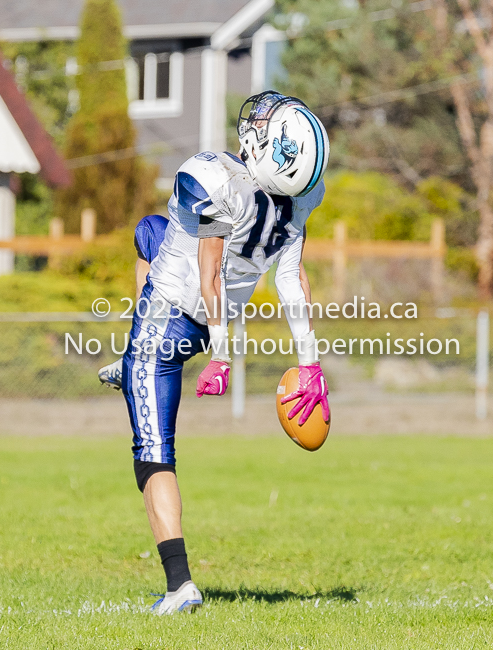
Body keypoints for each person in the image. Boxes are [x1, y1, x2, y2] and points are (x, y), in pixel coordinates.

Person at [98, 91, 331, 615]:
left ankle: (180, 585)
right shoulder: (300, 197)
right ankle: (131, 358)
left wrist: (222, 357)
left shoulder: (215, 179)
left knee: (153, 455)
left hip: (173, 325)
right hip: (204, 326)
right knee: (150, 231)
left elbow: (209, 276)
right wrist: (310, 364)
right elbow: (291, 281)